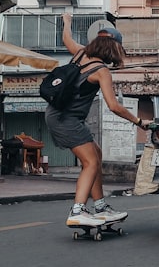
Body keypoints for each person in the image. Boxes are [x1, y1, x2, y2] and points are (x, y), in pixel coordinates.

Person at [46, 12, 149, 227]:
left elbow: (66, 39)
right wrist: (139, 122)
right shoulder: (102, 71)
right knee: (90, 162)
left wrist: (67, 22)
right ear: (114, 48)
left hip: (57, 114)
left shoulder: (81, 54)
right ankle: (78, 210)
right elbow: (114, 106)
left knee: (96, 153)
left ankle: (100, 205)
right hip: (67, 119)